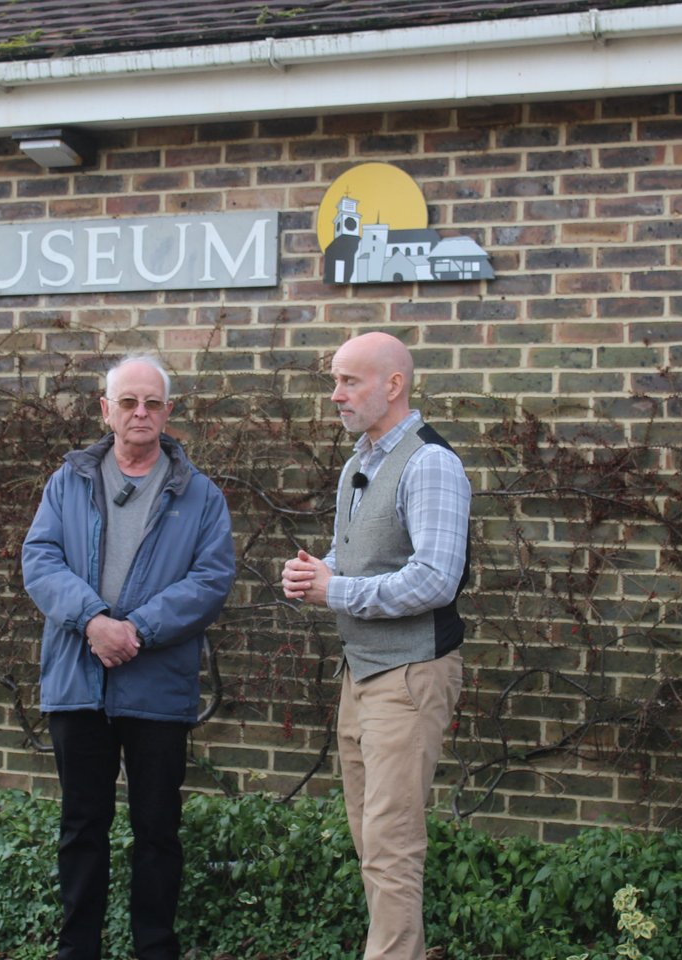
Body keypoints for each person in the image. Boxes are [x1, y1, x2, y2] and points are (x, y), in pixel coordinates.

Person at [22, 354, 236, 960]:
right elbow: (40, 560)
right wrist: (92, 620)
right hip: (78, 682)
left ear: (168, 413)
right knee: (82, 827)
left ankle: (155, 950)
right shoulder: (67, 482)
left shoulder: (201, 495)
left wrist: (132, 629)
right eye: (128, 402)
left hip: (157, 688)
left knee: (157, 832)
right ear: (105, 410)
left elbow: (210, 580)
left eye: (153, 403)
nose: (140, 413)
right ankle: (76, 950)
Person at [280, 331, 471, 960]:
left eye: (348, 381)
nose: (335, 395)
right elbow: (355, 556)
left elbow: (436, 578)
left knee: (391, 845)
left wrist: (335, 591)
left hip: (410, 676)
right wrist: (316, 572)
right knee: (372, 840)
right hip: (360, 675)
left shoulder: (430, 463)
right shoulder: (359, 461)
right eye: (335, 380)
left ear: (394, 385)